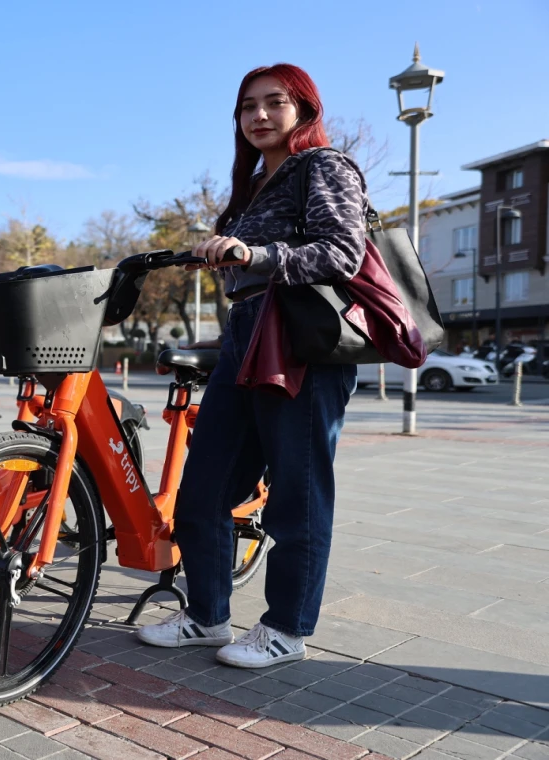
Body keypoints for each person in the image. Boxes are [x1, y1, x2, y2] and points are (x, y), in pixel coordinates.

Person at [137, 64, 365, 668]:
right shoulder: (254, 185)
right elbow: (252, 260)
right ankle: (207, 615)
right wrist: (220, 256)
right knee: (203, 486)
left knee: (299, 490)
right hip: (247, 333)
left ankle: (287, 629)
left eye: (274, 103)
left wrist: (256, 253)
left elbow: (343, 250)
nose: (259, 115)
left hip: (300, 341)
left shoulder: (325, 166)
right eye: (247, 107)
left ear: (305, 111)